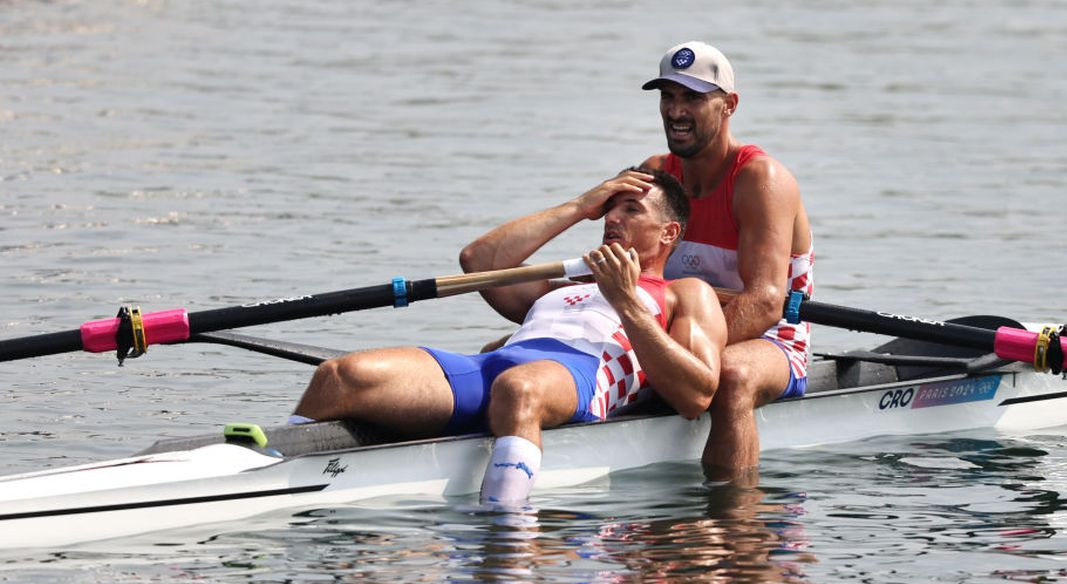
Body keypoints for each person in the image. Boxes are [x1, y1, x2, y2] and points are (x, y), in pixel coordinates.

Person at [292, 170, 727, 504]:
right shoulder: (565, 284)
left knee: (518, 389)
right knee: (341, 375)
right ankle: (268, 472)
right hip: (493, 372)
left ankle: (506, 540)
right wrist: (580, 205)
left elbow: (697, 393)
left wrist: (626, 301)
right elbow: (480, 260)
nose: (613, 217)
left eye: (631, 210)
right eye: (610, 207)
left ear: (669, 233)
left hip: (578, 377)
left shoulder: (685, 293)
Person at [638, 41, 815, 480]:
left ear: (728, 105)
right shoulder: (656, 175)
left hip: (773, 340)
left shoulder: (760, 179)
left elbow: (766, 303)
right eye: (668, 96)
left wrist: (680, 365)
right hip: (677, 339)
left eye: (693, 98)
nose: (676, 110)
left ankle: (736, 519)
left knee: (732, 377)